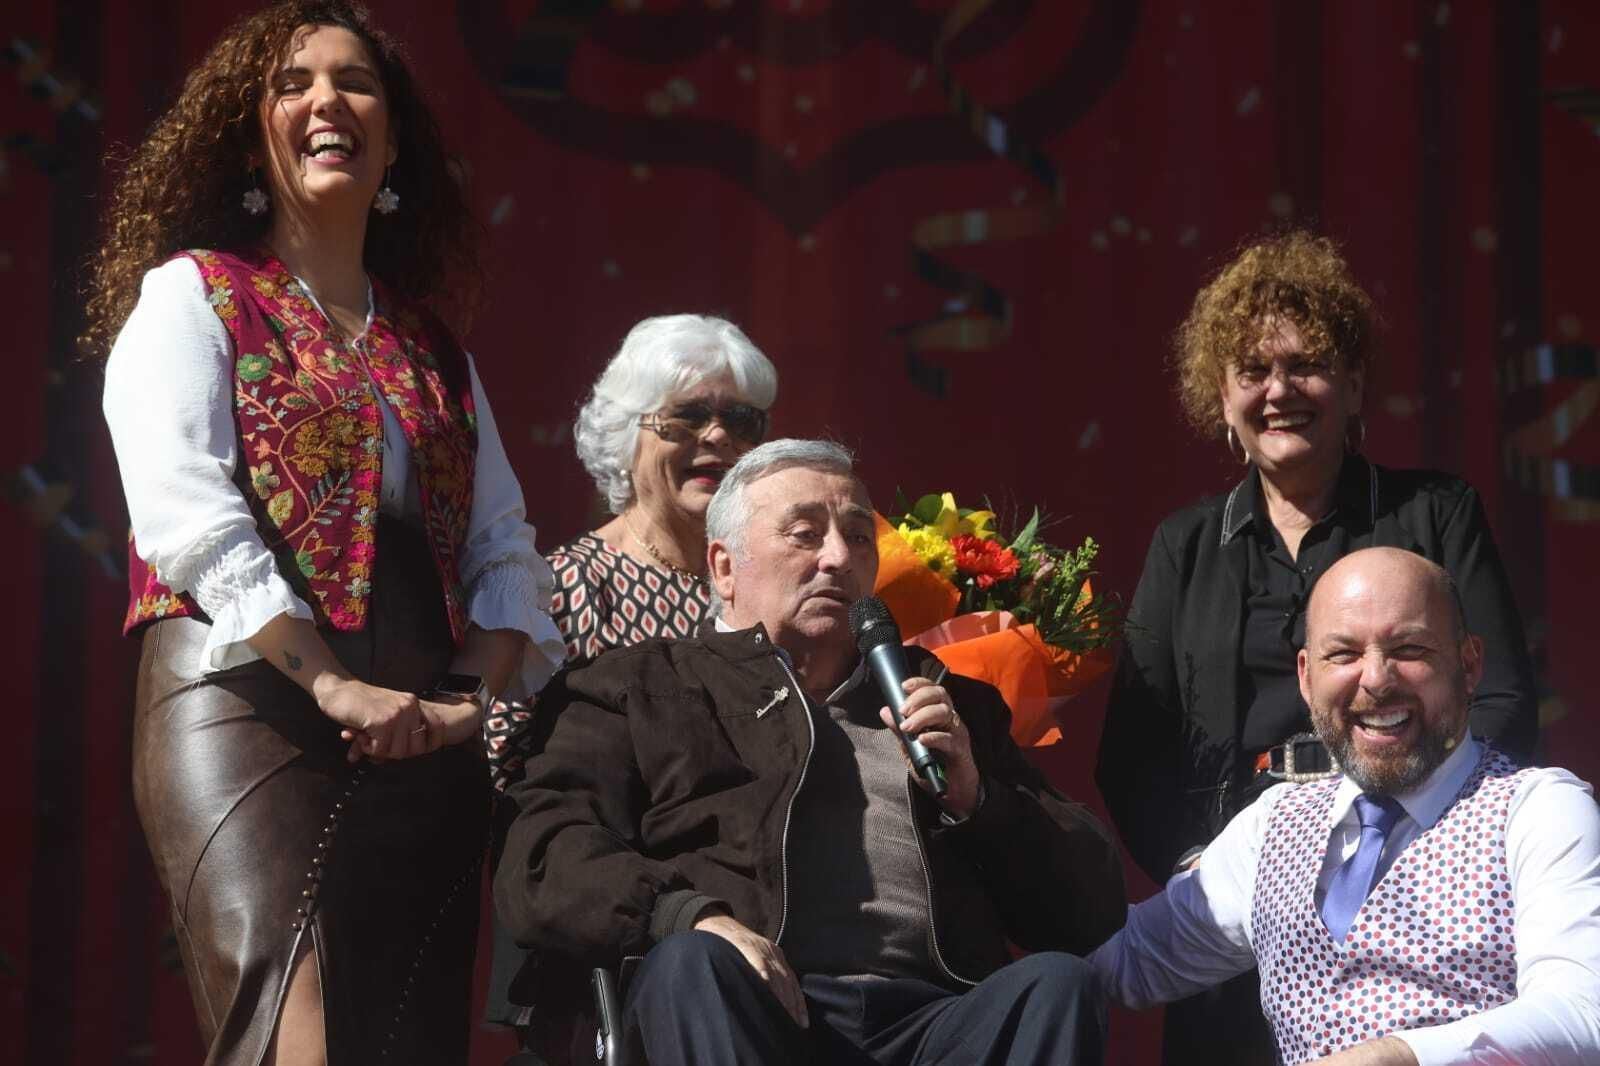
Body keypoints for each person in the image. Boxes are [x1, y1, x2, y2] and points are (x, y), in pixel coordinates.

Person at [85, 2, 563, 1062]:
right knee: (289, 1023)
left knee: (406, 1038)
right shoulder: (196, 295)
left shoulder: (433, 348)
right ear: (250, 137)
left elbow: (502, 547)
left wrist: (459, 704)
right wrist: (330, 682)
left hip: (416, 731)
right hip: (247, 697)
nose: (325, 101)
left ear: (393, 146)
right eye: (292, 83)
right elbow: (182, 508)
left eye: (356, 82)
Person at [495, 439, 1127, 1066]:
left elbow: (1091, 910)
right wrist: (684, 914)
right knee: (692, 963)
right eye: (804, 534)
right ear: (723, 567)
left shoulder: (946, 701)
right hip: (751, 1007)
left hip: (933, 1022)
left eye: (858, 537)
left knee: (1056, 987)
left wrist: (979, 801)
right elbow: (544, 852)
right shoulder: (641, 687)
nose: (838, 558)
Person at [1095, 232, 1539, 1063]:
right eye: (1253, 371)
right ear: (1221, 396)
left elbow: (1503, 701)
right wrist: (1205, 874)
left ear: (1354, 383)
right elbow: (1133, 752)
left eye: (1306, 366)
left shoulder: (1437, 512)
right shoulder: (1183, 545)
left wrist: (1416, 842)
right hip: (1235, 912)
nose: (1279, 391)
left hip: (1417, 898)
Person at [1090, 547, 1600, 1065]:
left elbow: (1582, 1016)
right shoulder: (1273, 825)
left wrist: (1395, 1058)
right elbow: (1127, 962)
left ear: (1469, 665)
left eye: (1409, 648)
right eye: (1343, 654)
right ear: (1306, 677)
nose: (1376, 678)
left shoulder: (1537, 810)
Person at [481, 314, 777, 1057]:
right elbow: (512, 788)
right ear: (626, 434)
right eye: (687, 416)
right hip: (615, 955)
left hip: (769, 935)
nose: (718, 437)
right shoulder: (565, 589)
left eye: (741, 421)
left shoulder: (772, 596)